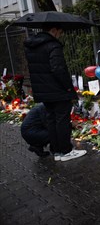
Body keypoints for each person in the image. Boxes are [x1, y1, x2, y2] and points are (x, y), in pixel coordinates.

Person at [24, 25, 86, 162]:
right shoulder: (53, 45)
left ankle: (56, 151)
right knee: (62, 120)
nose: (60, 35)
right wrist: (68, 88)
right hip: (57, 90)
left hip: (43, 91)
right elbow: (58, 69)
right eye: (60, 32)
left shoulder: (32, 46)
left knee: (51, 119)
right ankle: (66, 151)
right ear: (53, 30)